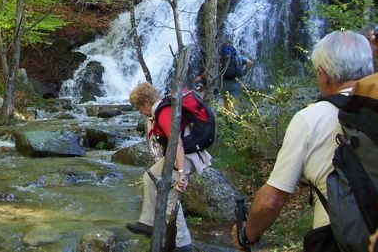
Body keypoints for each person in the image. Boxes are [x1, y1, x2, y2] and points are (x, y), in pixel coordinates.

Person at [230, 31, 374, 251]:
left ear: (323, 74)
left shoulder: (310, 118)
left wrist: (247, 236)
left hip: (338, 240)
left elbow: (273, 199)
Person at [126, 82, 211, 251]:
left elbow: (177, 143)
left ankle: (183, 243)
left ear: (146, 103)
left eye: (138, 107)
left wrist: (181, 174)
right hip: (183, 156)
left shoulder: (163, 112)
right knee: (149, 178)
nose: (139, 111)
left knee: (171, 199)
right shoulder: (161, 110)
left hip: (185, 157)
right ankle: (148, 223)